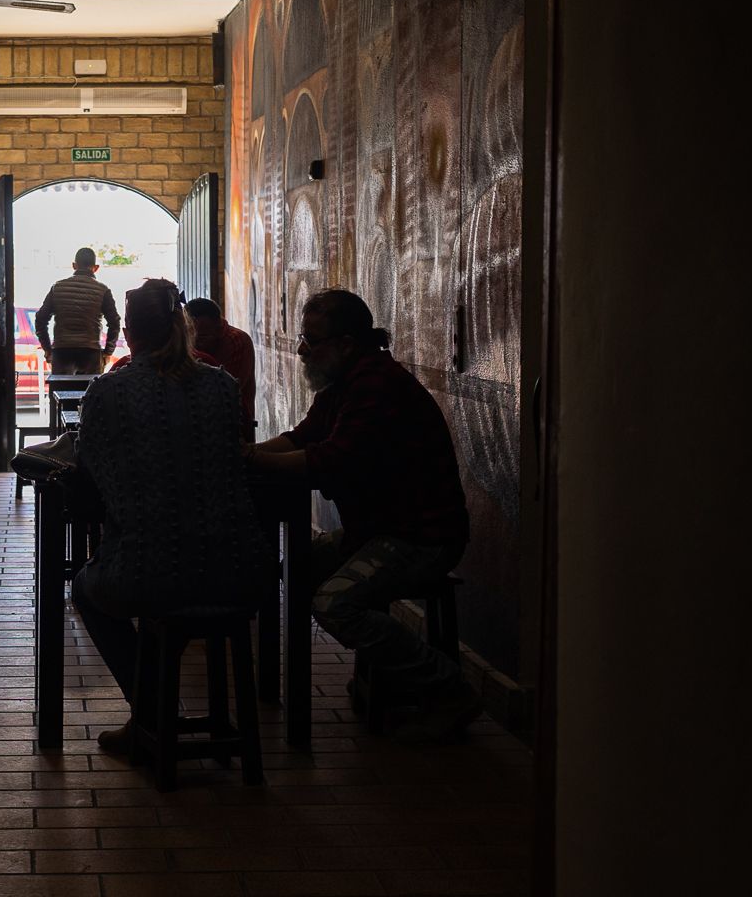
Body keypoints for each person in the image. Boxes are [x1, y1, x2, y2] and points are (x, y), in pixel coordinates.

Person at [247, 288, 478, 743]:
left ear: (347, 343)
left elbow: (329, 459)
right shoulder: (348, 382)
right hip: (382, 530)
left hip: (420, 538)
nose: (301, 349)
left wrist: (249, 461)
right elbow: (302, 438)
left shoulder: (375, 385)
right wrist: (249, 454)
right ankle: (387, 675)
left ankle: (450, 689)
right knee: (297, 567)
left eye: (311, 340)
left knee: (335, 604)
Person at [71, 279, 269, 757]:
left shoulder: (108, 392)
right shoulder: (221, 387)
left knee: (89, 589)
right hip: (237, 572)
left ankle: (152, 712)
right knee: (178, 588)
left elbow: (89, 467)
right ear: (182, 326)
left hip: (146, 573)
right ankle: (157, 707)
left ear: (129, 334)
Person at [35, 246, 121, 375]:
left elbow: (40, 319)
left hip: (62, 352)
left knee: (61, 392)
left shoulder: (57, 287)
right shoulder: (103, 290)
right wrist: (108, 352)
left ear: (74, 265)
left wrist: (48, 350)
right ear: (95, 268)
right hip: (90, 354)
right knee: (90, 394)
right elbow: (115, 322)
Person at [186, 297, 257, 436]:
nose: (195, 343)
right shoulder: (196, 341)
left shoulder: (236, 341)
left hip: (234, 427)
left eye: (203, 336)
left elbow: (225, 391)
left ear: (218, 328)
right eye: (190, 335)